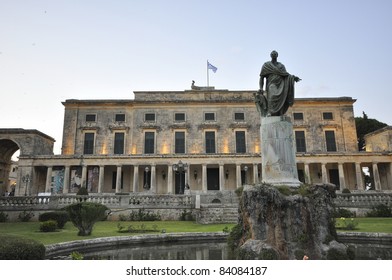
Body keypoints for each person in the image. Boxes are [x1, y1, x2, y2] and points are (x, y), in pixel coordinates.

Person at [256, 50, 301, 116]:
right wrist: (261, 88)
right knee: (272, 96)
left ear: (277, 55)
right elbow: (262, 77)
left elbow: (286, 75)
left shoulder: (281, 66)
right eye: (272, 54)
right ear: (270, 55)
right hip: (271, 83)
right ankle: (270, 112)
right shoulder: (266, 65)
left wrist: (293, 78)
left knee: (282, 97)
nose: (274, 55)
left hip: (281, 84)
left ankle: (280, 112)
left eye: (275, 54)